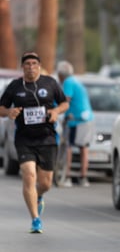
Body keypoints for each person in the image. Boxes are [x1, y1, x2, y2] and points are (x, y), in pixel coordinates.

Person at [0, 52, 69, 233]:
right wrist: (9, 113)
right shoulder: (15, 86)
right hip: (24, 138)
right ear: (22, 67)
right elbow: (1, 107)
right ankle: (35, 220)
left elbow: (64, 103)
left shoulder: (50, 83)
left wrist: (55, 112)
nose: (31, 67)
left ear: (39, 66)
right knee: (29, 175)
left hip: (47, 137)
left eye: (34, 63)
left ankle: (37, 196)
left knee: (46, 183)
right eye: (27, 64)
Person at [57, 61, 95, 187]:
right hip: (86, 118)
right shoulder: (75, 81)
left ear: (61, 74)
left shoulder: (67, 82)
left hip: (77, 119)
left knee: (68, 147)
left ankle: (67, 176)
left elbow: (65, 100)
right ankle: (83, 177)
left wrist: (54, 109)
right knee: (83, 147)